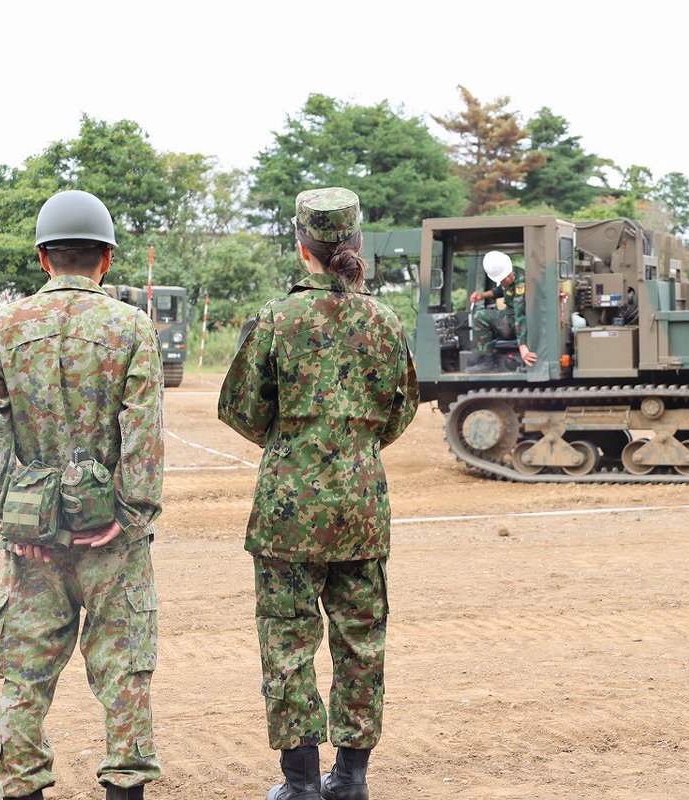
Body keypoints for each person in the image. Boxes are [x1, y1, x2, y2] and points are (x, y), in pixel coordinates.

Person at [218, 187, 420, 800]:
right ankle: (351, 778)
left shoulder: (275, 319)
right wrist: (353, 443)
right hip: (361, 507)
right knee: (362, 640)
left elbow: (241, 408)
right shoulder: (384, 321)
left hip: (288, 512)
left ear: (301, 246)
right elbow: (401, 410)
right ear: (355, 244)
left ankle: (301, 784)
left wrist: (293, 443)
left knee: (287, 639)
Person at [0, 189, 164, 800]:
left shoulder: (5, 327)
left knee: (24, 675)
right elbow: (144, 434)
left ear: (42, 256)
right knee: (124, 671)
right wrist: (129, 516)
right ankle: (126, 785)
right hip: (112, 541)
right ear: (107, 258)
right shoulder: (131, 327)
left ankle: (23, 786)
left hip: (34, 546)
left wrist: (14, 520)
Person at [466, 250, 537, 373]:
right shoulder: (512, 272)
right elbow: (500, 290)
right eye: (503, 279)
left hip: (516, 322)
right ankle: (482, 353)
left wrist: (522, 346)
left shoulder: (521, 282)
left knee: (480, 315)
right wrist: (482, 295)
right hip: (510, 317)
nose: (506, 279)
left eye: (507, 277)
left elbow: (519, 314)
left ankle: (488, 362)